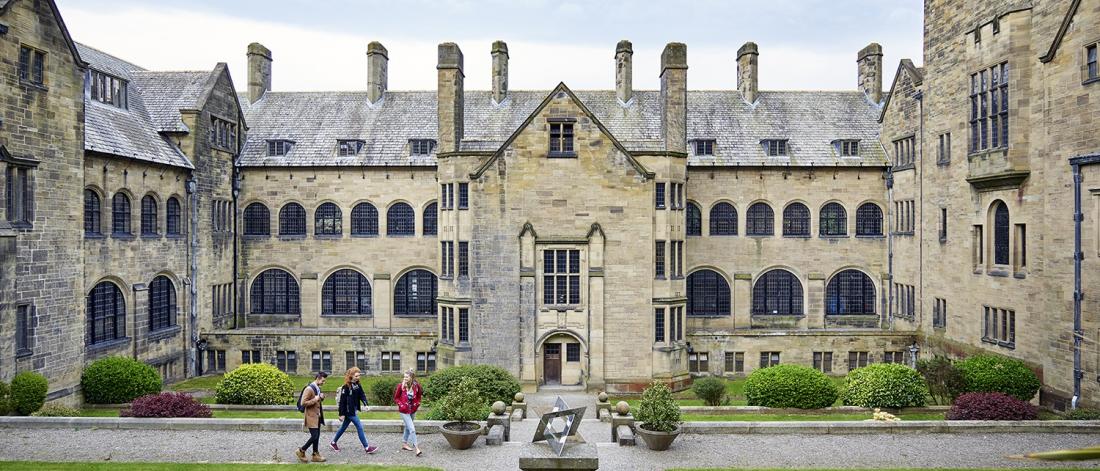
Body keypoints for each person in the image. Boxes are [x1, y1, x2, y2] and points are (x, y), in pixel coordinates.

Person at [330, 367, 378, 455]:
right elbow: (342, 402)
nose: (358, 377)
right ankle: (367, 447)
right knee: (359, 426)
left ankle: (333, 443)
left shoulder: (358, 385)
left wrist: (366, 404)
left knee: (343, 427)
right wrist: (341, 414)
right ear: (351, 376)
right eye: (356, 376)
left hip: (354, 410)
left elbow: (362, 395)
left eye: (359, 375)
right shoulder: (345, 387)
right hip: (349, 412)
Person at [295, 371, 328, 463]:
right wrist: (316, 399)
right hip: (311, 416)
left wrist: (321, 397)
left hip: (317, 416)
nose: (323, 383)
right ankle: (301, 450)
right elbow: (303, 403)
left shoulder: (317, 388)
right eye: (323, 381)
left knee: (317, 436)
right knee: (314, 436)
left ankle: (315, 455)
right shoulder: (309, 389)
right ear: (318, 378)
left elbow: (317, 400)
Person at [393, 368, 424, 456]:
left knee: (407, 427)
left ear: (411, 377)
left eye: (406, 377)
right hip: (404, 411)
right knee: (412, 429)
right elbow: (396, 398)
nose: (405, 378)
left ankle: (404, 444)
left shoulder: (416, 386)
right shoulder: (401, 386)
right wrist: (401, 405)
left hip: (412, 410)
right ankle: (417, 448)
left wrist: (417, 403)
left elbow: (419, 396)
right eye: (404, 377)